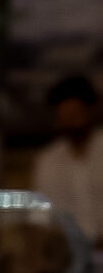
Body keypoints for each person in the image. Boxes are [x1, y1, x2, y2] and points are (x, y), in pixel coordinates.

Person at [31, 74, 103, 251]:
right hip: (67, 258)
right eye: (66, 116)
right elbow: (42, 218)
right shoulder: (47, 161)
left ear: (91, 111)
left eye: (76, 114)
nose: (71, 121)